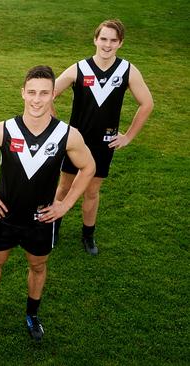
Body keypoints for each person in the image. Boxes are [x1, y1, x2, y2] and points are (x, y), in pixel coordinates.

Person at [0, 66, 95, 341]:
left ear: (53, 96)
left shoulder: (67, 135)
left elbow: (89, 167)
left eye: (44, 93)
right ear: (23, 93)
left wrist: (65, 204)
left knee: (37, 266)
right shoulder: (4, 130)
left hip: (41, 220)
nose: (37, 99)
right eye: (32, 92)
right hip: (5, 216)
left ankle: (32, 315)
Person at [53, 19, 154, 255]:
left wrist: (128, 136)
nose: (107, 44)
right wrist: (59, 129)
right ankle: (53, 227)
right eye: (103, 39)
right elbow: (49, 94)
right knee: (64, 186)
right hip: (75, 142)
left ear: (120, 43)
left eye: (113, 40)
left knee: (91, 191)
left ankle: (88, 235)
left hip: (103, 144)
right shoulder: (80, 68)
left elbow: (147, 103)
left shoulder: (127, 70)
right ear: (95, 40)